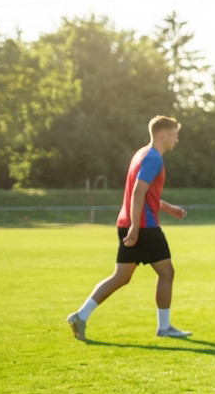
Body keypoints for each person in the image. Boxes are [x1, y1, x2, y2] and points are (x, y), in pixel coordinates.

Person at [66, 116, 190, 341]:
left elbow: (146, 193)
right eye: (174, 133)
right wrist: (136, 227)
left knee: (121, 276)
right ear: (162, 134)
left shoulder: (141, 154)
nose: (177, 138)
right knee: (166, 272)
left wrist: (168, 208)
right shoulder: (154, 158)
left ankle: (80, 316)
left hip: (128, 223)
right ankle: (164, 328)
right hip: (144, 226)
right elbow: (137, 193)